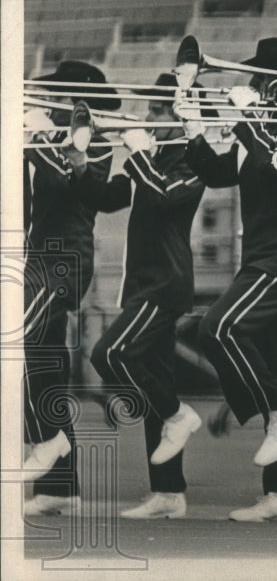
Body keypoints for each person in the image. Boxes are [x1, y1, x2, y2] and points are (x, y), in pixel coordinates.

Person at [182, 38, 277, 522]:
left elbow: (275, 161)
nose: (252, 85)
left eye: (260, 79)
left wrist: (247, 119)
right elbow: (213, 172)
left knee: (217, 329)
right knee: (276, 365)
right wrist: (191, 118)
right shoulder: (261, 131)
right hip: (262, 258)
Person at [74, 73, 208, 519]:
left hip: (165, 284)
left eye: (157, 110)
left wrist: (138, 152)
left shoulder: (191, 160)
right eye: (149, 109)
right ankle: (169, 493)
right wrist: (84, 155)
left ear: (178, 116)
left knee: (107, 353)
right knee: (156, 380)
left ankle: (179, 415)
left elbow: (167, 198)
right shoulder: (148, 158)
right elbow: (107, 198)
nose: (148, 117)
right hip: (143, 287)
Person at [21, 61, 118, 516]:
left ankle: (47, 438)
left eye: (55, 96)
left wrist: (36, 136)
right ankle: (62, 486)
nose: (47, 104)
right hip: (39, 257)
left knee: (18, 342)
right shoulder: (47, 138)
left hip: (64, 260)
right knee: (47, 367)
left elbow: (71, 182)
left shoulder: (93, 141)